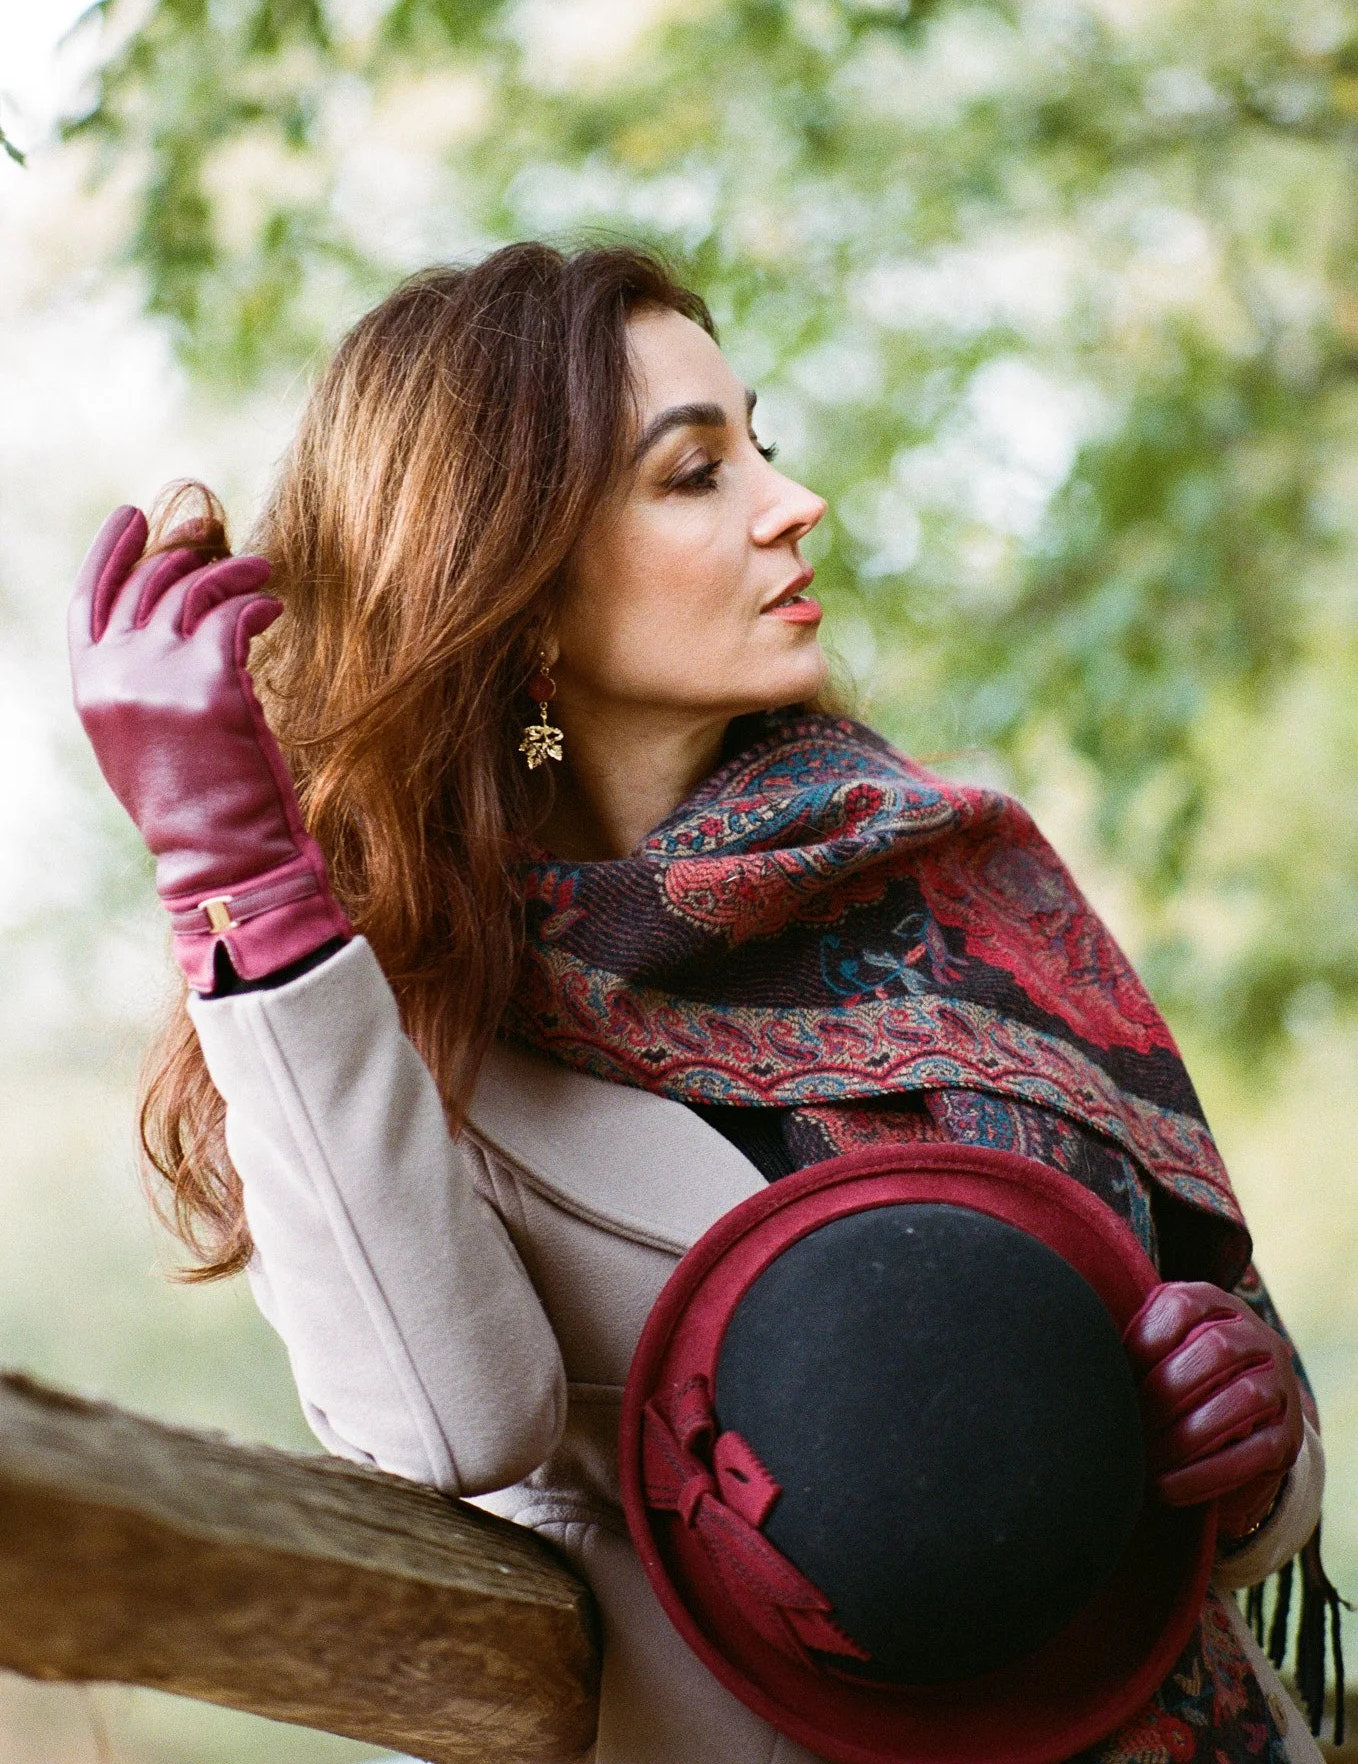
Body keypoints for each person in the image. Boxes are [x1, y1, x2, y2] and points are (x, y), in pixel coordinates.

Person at [69, 243, 1333, 1764]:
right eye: (693, 474)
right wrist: (234, 871)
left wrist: (1247, 1436)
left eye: (763, 447)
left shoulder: (945, 872)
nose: (789, 506)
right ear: (513, 579)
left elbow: (1236, 1447)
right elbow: (445, 1425)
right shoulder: (375, 1012)